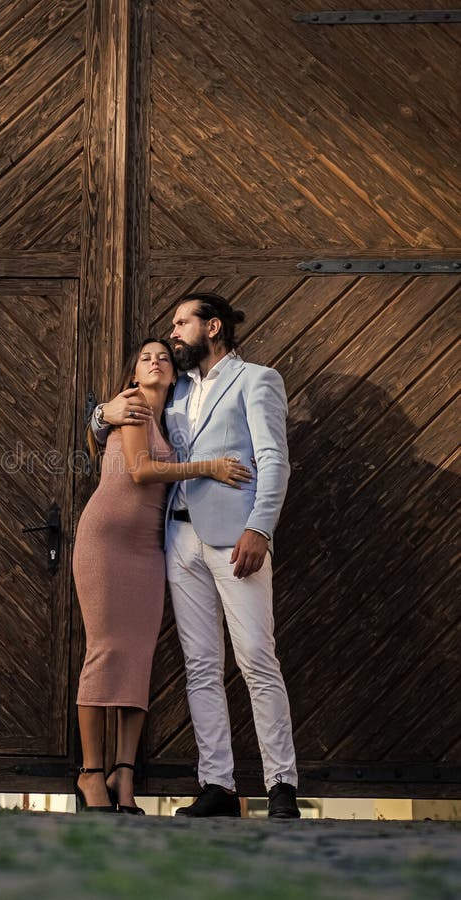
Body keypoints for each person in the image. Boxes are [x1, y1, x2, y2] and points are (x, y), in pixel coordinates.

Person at [91, 294, 300, 819]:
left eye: (182, 323)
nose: (174, 332)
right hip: (178, 542)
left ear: (213, 327)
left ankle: (281, 785)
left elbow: (274, 459)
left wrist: (261, 528)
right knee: (200, 666)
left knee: (255, 658)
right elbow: (127, 422)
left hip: (237, 540)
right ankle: (218, 785)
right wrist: (100, 415)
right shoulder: (178, 388)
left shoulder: (257, 379)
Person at [73, 338, 252, 813]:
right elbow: (139, 471)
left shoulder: (171, 421)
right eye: (145, 358)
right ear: (134, 374)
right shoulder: (129, 406)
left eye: (164, 359)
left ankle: (123, 775)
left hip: (148, 549)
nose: (156, 362)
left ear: (174, 375)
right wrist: (210, 467)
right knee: (104, 652)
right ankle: (91, 773)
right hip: (106, 543)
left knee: (137, 659)